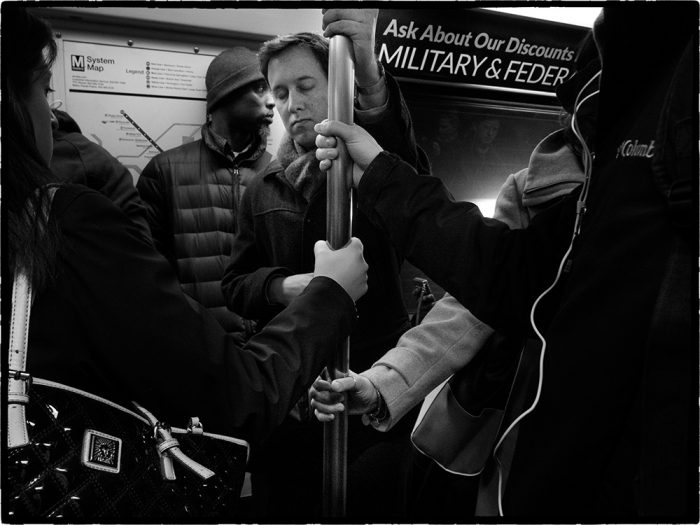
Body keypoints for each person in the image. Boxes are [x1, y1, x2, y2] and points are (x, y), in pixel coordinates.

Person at [313, 4, 695, 519]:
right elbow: (475, 302)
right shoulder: (541, 188)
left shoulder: (645, 181)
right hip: (516, 434)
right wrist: (384, 381)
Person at [4, 4, 369, 462]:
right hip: (230, 368)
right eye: (271, 88)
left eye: (305, 87)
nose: (283, 103)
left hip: (319, 376)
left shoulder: (353, 177)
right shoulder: (177, 180)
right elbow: (215, 290)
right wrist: (295, 289)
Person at [220, 8, 427, 519]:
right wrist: (284, 287)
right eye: (280, 93)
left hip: (374, 378)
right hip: (291, 392)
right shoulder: (263, 186)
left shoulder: (373, 170)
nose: (292, 105)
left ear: (337, 86)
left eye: (306, 85)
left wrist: (371, 75)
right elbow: (235, 284)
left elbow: (406, 168)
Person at [137, 47, 275, 340]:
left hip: (268, 350)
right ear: (226, 95)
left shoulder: (278, 172)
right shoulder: (165, 171)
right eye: (260, 88)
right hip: (197, 348)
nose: (272, 101)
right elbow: (147, 272)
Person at [50, 108, 152, 242]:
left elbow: (140, 248)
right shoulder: (93, 158)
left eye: (46, 91)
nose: (52, 119)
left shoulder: (89, 160)